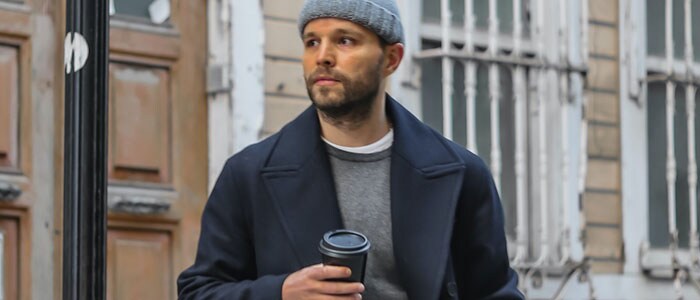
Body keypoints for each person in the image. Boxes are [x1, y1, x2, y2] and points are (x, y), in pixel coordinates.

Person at [177, 0, 523, 299]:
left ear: (391, 59)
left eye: (345, 40)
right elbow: (199, 291)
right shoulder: (248, 174)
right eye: (312, 42)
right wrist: (280, 292)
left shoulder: (460, 173)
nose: (323, 57)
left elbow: (495, 294)